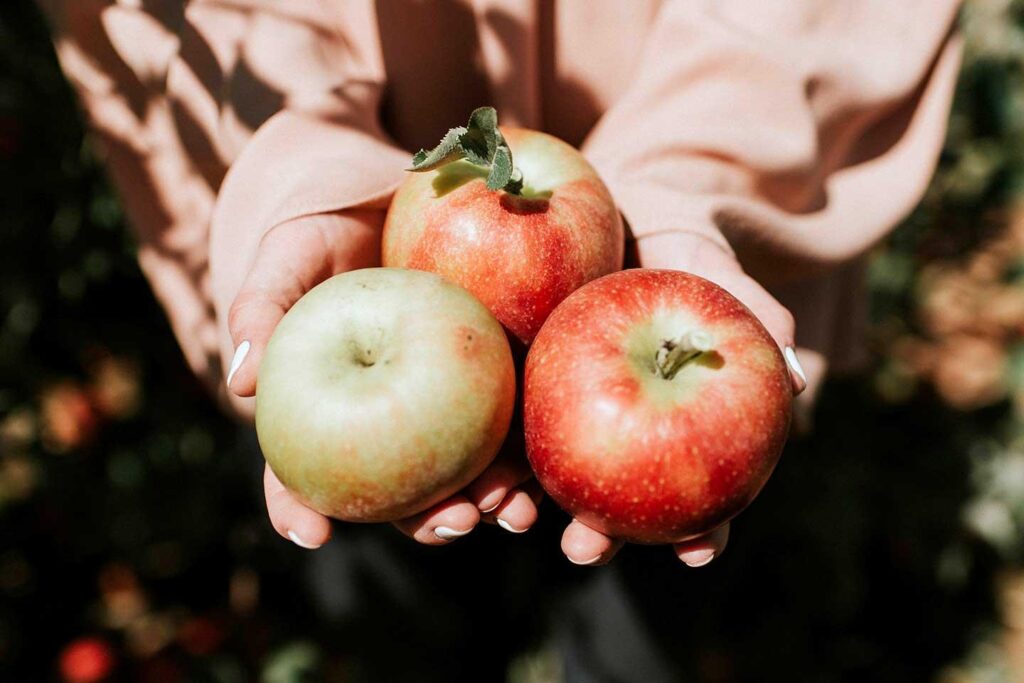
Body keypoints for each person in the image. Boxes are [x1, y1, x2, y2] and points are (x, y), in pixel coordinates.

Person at [39, 0, 963, 676]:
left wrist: (691, 181)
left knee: (643, 630)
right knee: (393, 614)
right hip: (363, 289)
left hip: (674, 284)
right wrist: (309, 156)